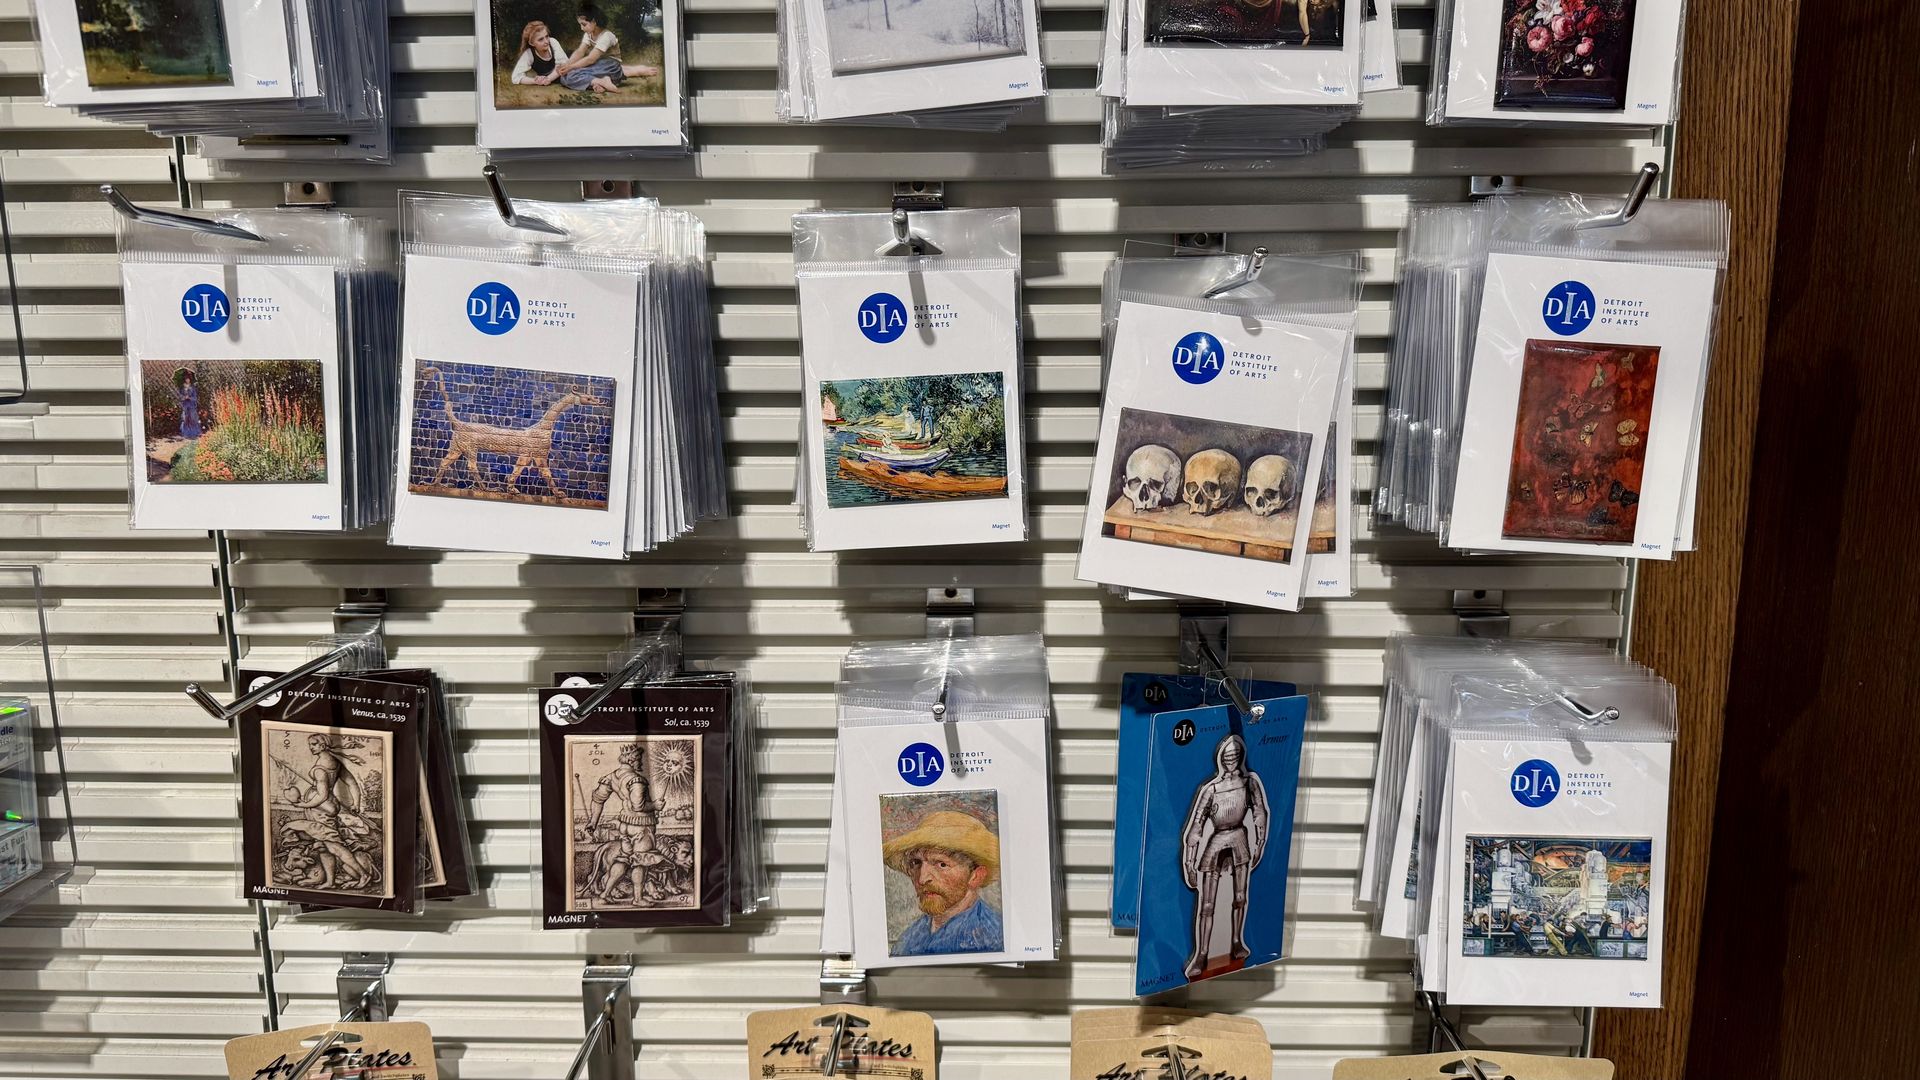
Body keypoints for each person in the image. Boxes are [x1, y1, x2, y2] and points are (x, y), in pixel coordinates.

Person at [1180, 733, 1269, 979]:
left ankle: (1237, 941)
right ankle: (1202, 953)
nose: (1231, 759)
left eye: (1235, 755)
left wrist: (1260, 841)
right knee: (1206, 905)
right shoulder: (1211, 789)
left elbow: (1260, 812)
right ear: (1221, 757)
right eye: (1227, 755)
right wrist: (1189, 862)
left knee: (1240, 897)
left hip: (1239, 837)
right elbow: (1196, 826)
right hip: (1217, 839)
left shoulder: (1249, 782)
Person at [882, 810, 1003, 956]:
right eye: (916, 863)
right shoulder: (910, 937)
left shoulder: (992, 937)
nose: (922, 878)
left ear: (975, 876)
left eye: (942, 864)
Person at [553, 3, 661, 94]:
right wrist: (567, 65)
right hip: (598, 67)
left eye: (584, 24)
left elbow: (591, 59)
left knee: (572, 72)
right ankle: (599, 82)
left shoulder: (606, 36)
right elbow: (580, 52)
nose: (581, 28)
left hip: (611, 67)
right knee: (565, 77)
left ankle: (601, 81)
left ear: (594, 22)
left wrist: (571, 67)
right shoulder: (589, 34)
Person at [509, 21, 564, 86]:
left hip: (566, 73)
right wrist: (535, 81)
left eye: (547, 36)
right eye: (541, 39)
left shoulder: (553, 42)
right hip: (554, 79)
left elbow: (562, 65)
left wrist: (548, 79)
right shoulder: (529, 54)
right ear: (531, 43)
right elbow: (516, 77)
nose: (546, 41)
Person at [176, 369, 202, 440]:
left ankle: (194, 433)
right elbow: (179, 396)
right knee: (185, 419)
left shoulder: (193, 388)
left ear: (190, 379)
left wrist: (189, 397)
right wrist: (184, 397)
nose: (187, 380)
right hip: (185, 405)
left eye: (188, 379)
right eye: (186, 379)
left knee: (193, 418)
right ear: (184, 379)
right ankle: (186, 433)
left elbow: (195, 397)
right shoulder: (182, 388)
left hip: (192, 405)